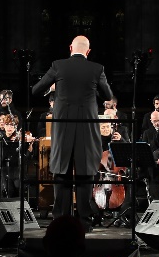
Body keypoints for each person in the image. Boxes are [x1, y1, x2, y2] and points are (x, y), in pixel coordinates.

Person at [30, 35, 114, 227]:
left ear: (70, 48)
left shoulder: (58, 65)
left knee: (62, 174)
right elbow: (108, 95)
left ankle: (61, 220)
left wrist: (52, 87)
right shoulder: (96, 68)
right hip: (87, 130)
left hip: (63, 128)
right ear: (88, 51)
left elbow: (36, 90)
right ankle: (84, 221)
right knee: (85, 176)